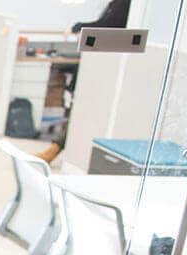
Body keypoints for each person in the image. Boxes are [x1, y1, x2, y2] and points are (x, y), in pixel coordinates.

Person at [37, 0, 131, 163]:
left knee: (82, 107)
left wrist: (80, 27)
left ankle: (57, 148)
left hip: (111, 65)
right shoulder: (117, 4)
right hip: (101, 60)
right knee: (78, 105)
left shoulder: (125, 3)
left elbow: (108, 26)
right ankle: (57, 148)